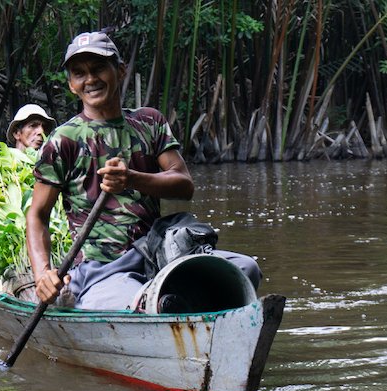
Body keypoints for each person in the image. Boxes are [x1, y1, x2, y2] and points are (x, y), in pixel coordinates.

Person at [25, 31, 260, 311]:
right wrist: (43, 274)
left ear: (120, 70)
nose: (90, 79)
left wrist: (132, 179)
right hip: (101, 269)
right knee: (143, 302)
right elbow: (38, 215)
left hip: (156, 251)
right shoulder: (63, 140)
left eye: (99, 68)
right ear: (71, 85)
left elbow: (184, 185)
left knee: (246, 269)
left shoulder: (149, 122)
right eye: (79, 73)